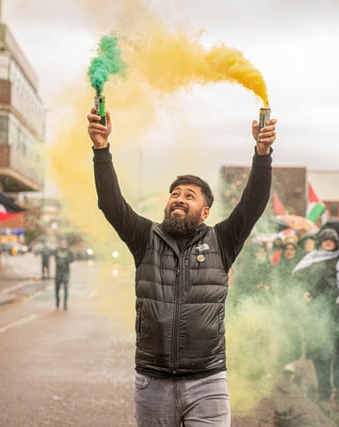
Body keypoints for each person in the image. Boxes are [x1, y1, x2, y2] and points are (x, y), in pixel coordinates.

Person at [87, 106, 276, 426]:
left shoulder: (222, 241)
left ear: (205, 212)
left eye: (189, 195)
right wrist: (101, 148)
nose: (178, 198)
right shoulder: (144, 237)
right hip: (152, 382)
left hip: (207, 382)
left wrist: (262, 153)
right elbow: (110, 203)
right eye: (175, 193)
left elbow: (253, 203)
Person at [292, 228, 339, 401]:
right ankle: (324, 388)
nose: (327, 243)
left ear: (336, 243)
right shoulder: (312, 259)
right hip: (317, 311)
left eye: (331, 240)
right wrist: (303, 292)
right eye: (325, 240)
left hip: (338, 311)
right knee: (320, 351)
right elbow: (297, 278)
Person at [53, 239, 75, 310]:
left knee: (65, 289)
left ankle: (65, 304)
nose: (63, 245)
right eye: (62, 243)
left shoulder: (69, 252)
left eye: (64, 244)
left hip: (66, 273)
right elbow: (56, 260)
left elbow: (72, 259)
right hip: (58, 273)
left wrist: (66, 259)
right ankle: (57, 303)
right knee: (57, 289)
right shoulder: (57, 251)